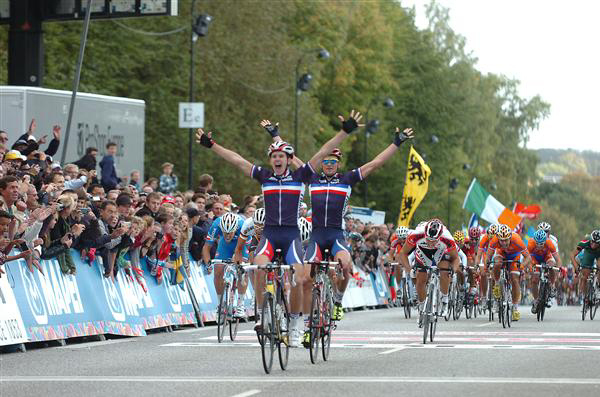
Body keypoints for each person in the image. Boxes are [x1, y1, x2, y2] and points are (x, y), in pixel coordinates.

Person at [196, 109, 362, 347]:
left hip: (292, 236)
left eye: (281, 156)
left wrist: (344, 132)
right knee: (260, 269)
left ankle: (295, 323)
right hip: (271, 235)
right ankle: (264, 313)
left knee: (302, 279)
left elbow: (324, 151)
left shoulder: (301, 176)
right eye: (273, 156)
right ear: (270, 160)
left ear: (287, 159)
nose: (277, 159)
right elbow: (237, 160)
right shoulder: (264, 177)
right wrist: (212, 145)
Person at [262, 118, 414, 331]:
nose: (330, 165)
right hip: (316, 236)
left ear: (338, 165)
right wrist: (274, 134)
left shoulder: (347, 180)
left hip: (336, 236)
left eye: (334, 162)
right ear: (322, 164)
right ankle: (307, 325)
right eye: (327, 161)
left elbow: (375, 163)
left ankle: (339, 300)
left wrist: (396, 143)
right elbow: (290, 158)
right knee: (305, 280)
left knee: (346, 265)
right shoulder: (312, 178)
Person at [398, 219, 461, 324]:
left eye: (434, 240)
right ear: (425, 234)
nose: (431, 243)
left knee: (445, 271)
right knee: (420, 278)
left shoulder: (447, 238)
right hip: (423, 250)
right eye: (429, 239)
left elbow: (456, 259)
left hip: (441, 250)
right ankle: (422, 308)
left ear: (440, 236)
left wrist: (453, 270)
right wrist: (409, 270)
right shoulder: (416, 234)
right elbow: (403, 253)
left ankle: (444, 299)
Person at [202, 211, 247, 317]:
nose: (227, 236)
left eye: (230, 233)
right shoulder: (216, 224)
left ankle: (240, 304)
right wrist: (208, 264)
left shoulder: (243, 226)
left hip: (241, 244)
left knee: (243, 272)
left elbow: (246, 249)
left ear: (235, 229)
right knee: (217, 271)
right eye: (224, 232)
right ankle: (221, 305)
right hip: (225, 247)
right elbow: (206, 247)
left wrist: (241, 261)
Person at [486, 224, 532, 321]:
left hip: (514, 256)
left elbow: (528, 257)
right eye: (501, 240)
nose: (504, 243)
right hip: (501, 254)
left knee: (515, 279)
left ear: (510, 237)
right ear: (498, 238)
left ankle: (515, 308)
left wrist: (522, 265)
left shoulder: (517, 240)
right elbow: (489, 256)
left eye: (506, 240)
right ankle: (497, 284)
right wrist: (487, 265)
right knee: (497, 263)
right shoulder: (494, 240)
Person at [528, 229, 560, 313]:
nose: (539, 246)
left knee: (552, 266)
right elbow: (527, 258)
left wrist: (559, 268)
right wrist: (530, 267)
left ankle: (552, 286)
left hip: (546, 256)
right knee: (535, 279)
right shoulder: (531, 243)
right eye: (537, 244)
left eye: (541, 244)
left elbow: (557, 258)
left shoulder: (549, 243)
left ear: (545, 241)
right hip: (535, 258)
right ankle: (536, 300)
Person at [571, 230, 600, 303]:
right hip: (588, 255)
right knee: (585, 275)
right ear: (590, 239)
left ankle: (598, 288)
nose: (594, 244)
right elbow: (572, 255)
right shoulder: (584, 243)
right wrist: (576, 267)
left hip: (598, 255)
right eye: (592, 241)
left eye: (596, 243)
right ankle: (585, 296)